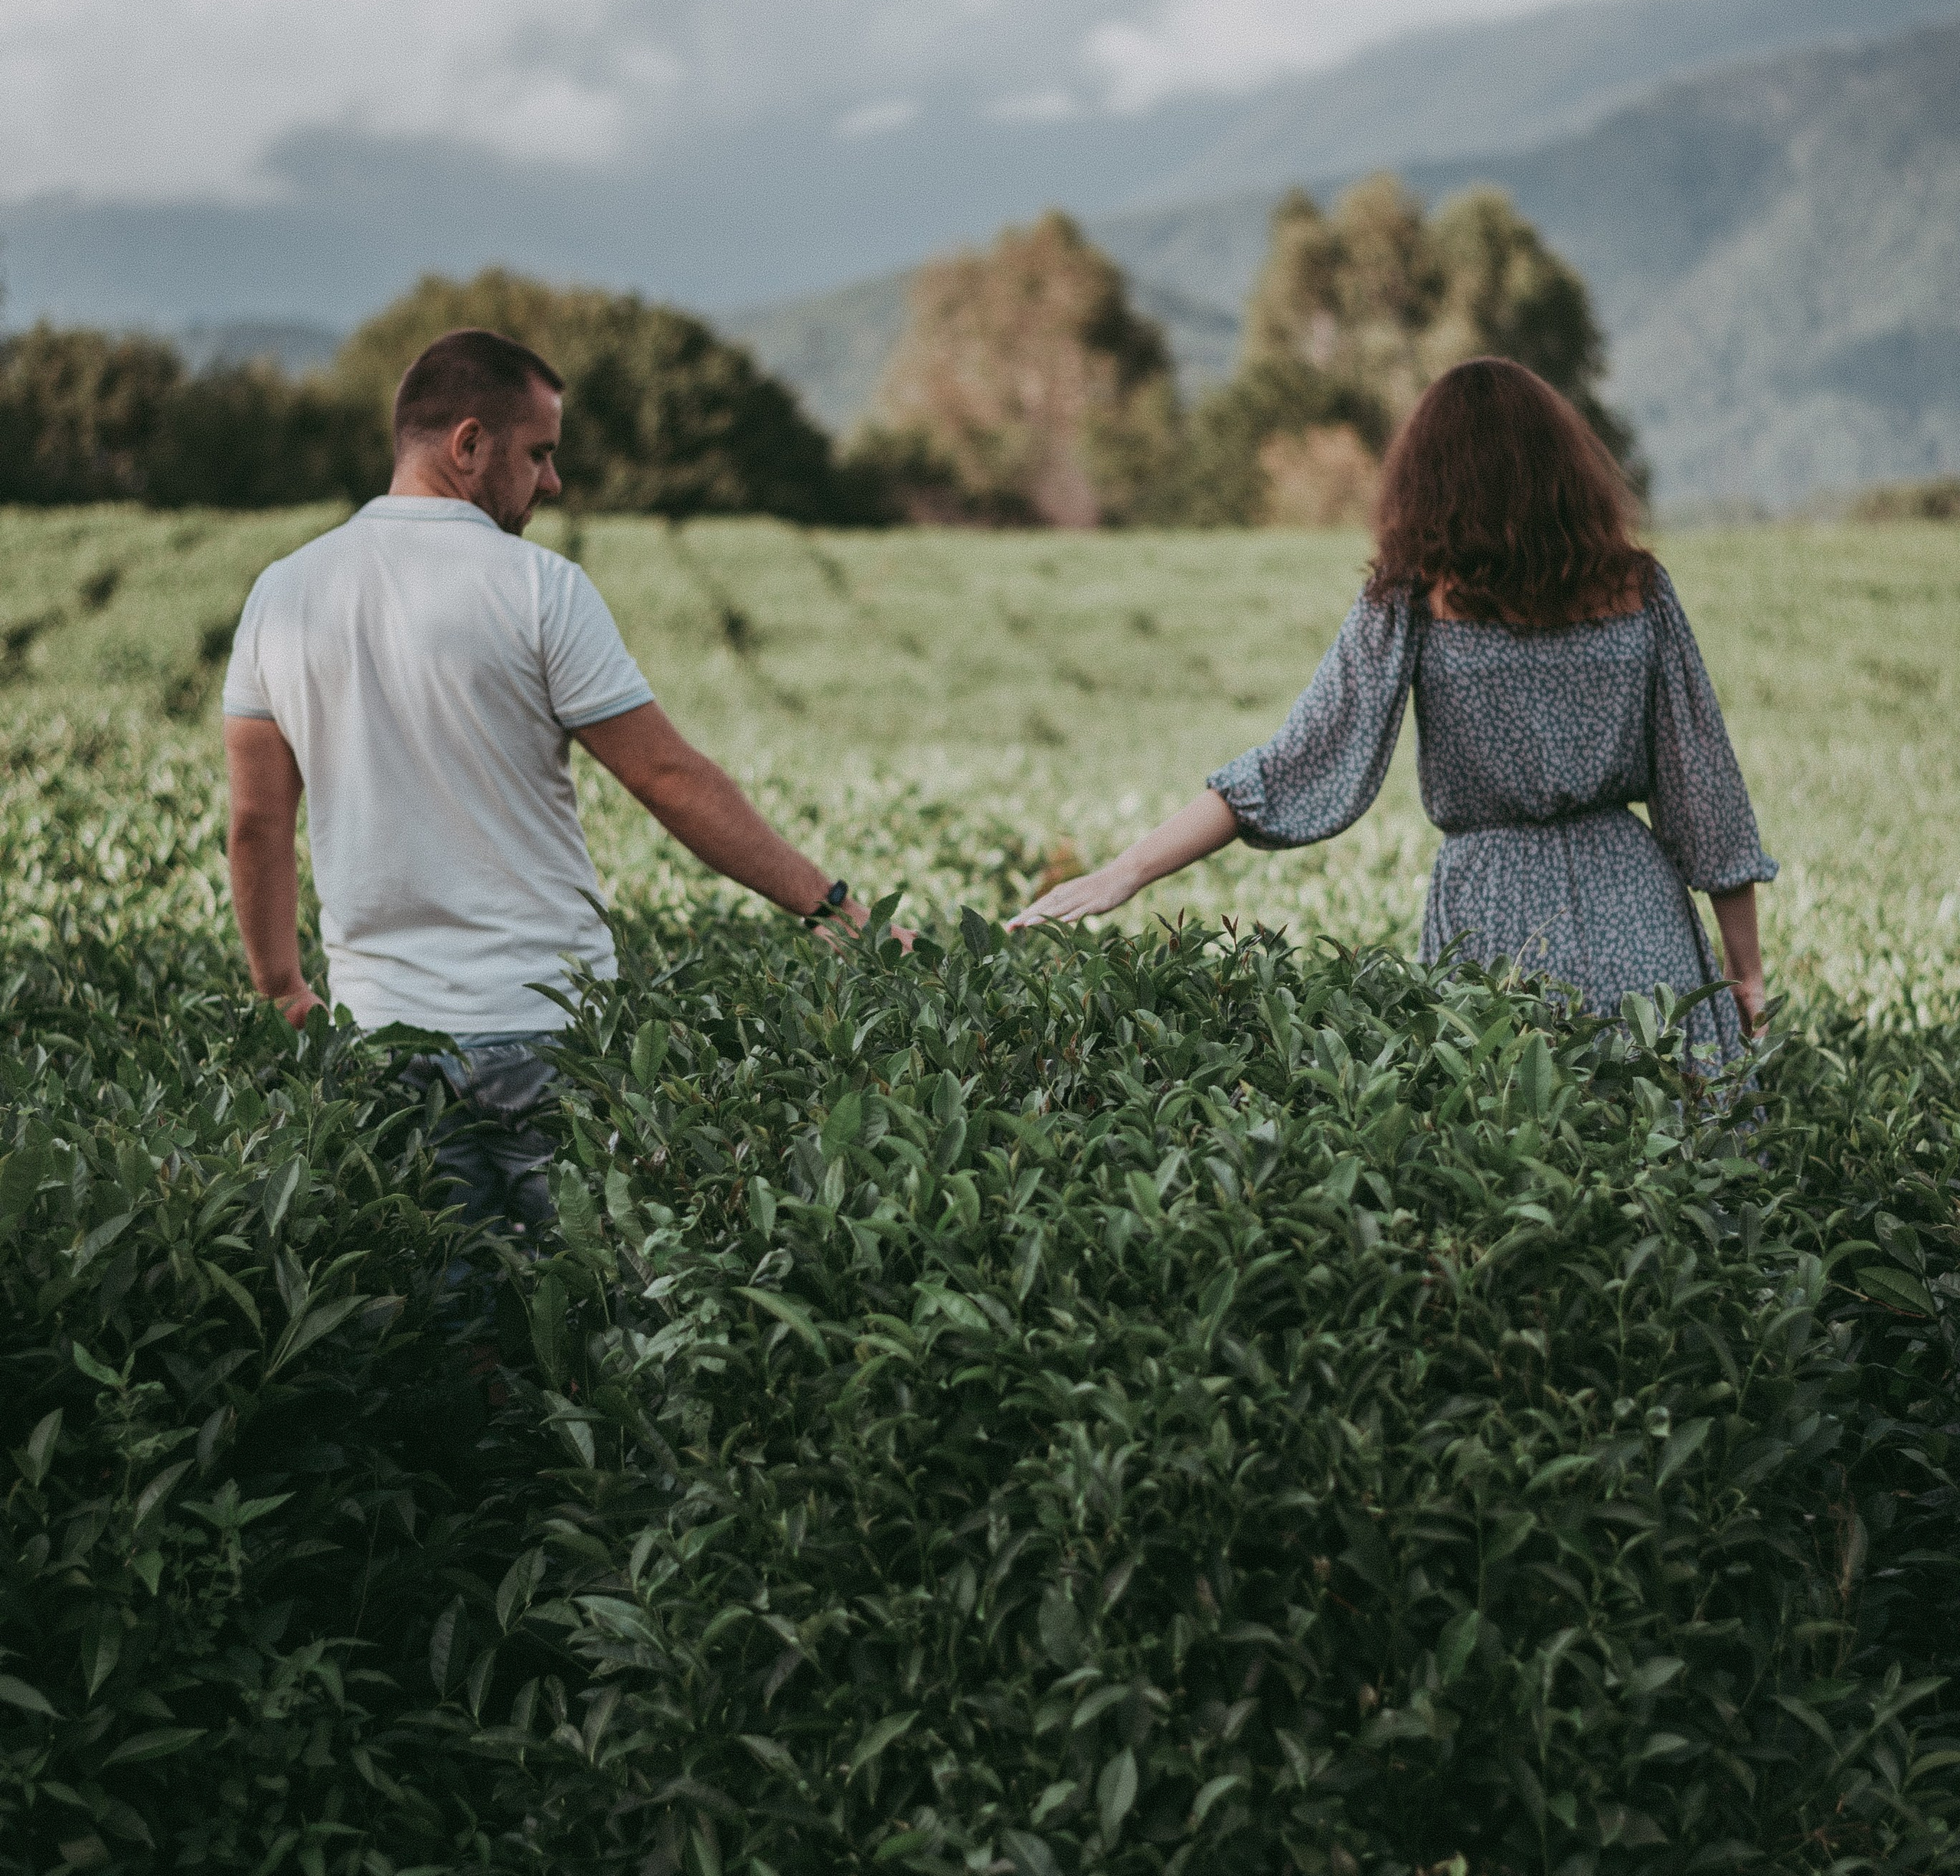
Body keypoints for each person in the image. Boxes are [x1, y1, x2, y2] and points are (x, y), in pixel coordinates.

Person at [221, 326, 869, 1237]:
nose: (553, 484)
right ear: (469, 444)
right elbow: (668, 778)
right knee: (590, 1315)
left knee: (445, 1330)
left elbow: (256, 821)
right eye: (539, 454)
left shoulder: (280, 594)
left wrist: (283, 987)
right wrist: (828, 904)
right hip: (545, 1025)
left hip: (380, 1031)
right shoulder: (540, 588)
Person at [1013, 357, 1775, 1064]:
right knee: (1675, 1151)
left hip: (1494, 909)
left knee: (1517, 1149)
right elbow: (1702, 792)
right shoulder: (1638, 588)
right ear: (1563, 469)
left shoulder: (1412, 597)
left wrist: (1127, 871)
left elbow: (1294, 766)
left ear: (1430, 478)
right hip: (1638, 910)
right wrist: (1747, 974)